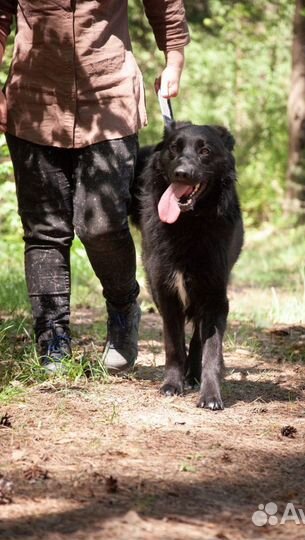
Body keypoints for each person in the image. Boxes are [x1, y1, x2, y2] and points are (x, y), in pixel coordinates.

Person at [0, 0, 190, 373]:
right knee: (45, 231)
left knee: (101, 225)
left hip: (110, 96)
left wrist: (174, 61)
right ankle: (52, 337)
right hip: (34, 99)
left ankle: (123, 307)